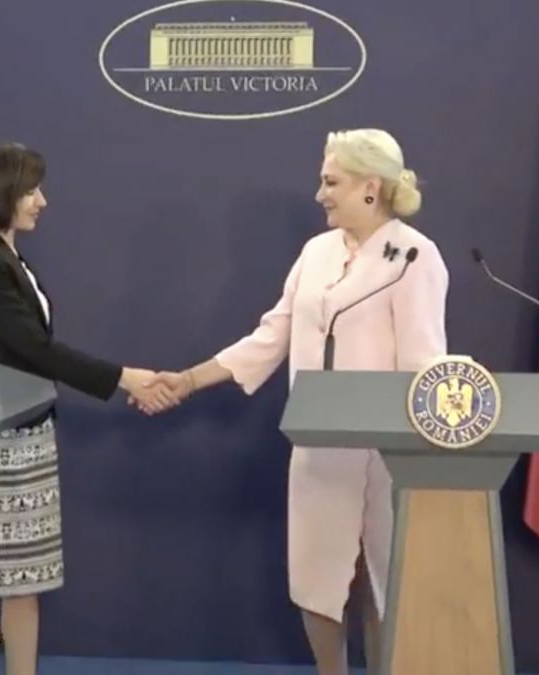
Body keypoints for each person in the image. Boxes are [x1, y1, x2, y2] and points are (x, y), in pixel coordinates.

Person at [144, 128, 449, 675]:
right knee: (316, 581)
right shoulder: (316, 252)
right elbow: (272, 335)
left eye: (331, 182)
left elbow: (423, 363)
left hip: (388, 453)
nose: (319, 194)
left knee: (386, 581)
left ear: (371, 187)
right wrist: (188, 380)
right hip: (318, 449)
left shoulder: (414, 256)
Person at [0, 141, 174, 675]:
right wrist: (123, 377)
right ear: (1, 194)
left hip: (30, 433)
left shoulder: (9, 259)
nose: (42, 201)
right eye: (31, 191)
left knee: (26, 581)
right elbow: (34, 348)